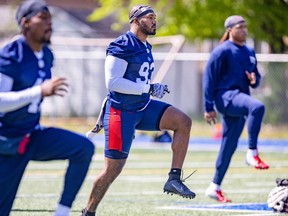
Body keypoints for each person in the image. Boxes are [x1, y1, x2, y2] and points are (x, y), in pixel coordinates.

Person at [81, 4, 195, 216]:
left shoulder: (146, 46)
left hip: (142, 106)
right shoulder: (122, 44)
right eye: (150, 17)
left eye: (155, 17)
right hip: (121, 113)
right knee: (112, 170)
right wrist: (149, 88)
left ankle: (174, 178)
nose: (154, 21)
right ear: (136, 19)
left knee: (183, 122)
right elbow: (113, 83)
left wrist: (150, 89)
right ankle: (88, 211)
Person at [0, 0, 95, 215]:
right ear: (25, 23)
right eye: (42, 18)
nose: (49, 23)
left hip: (32, 135)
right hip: (7, 142)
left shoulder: (46, 54)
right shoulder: (10, 55)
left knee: (83, 148)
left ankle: (61, 212)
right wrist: (39, 91)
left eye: (50, 18)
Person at [202, 15, 269, 203]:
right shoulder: (221, 51)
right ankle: (252, 153)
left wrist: (255, 81)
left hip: (239, 100)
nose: (244, 30)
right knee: (257, 107)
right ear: (230, 30)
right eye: (240, 27)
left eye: (246, 27)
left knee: (229, 145)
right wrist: (208, 107)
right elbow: (209, 79)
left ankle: (214, 186)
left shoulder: (249, 51)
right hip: (226, 98)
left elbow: (255, 77)